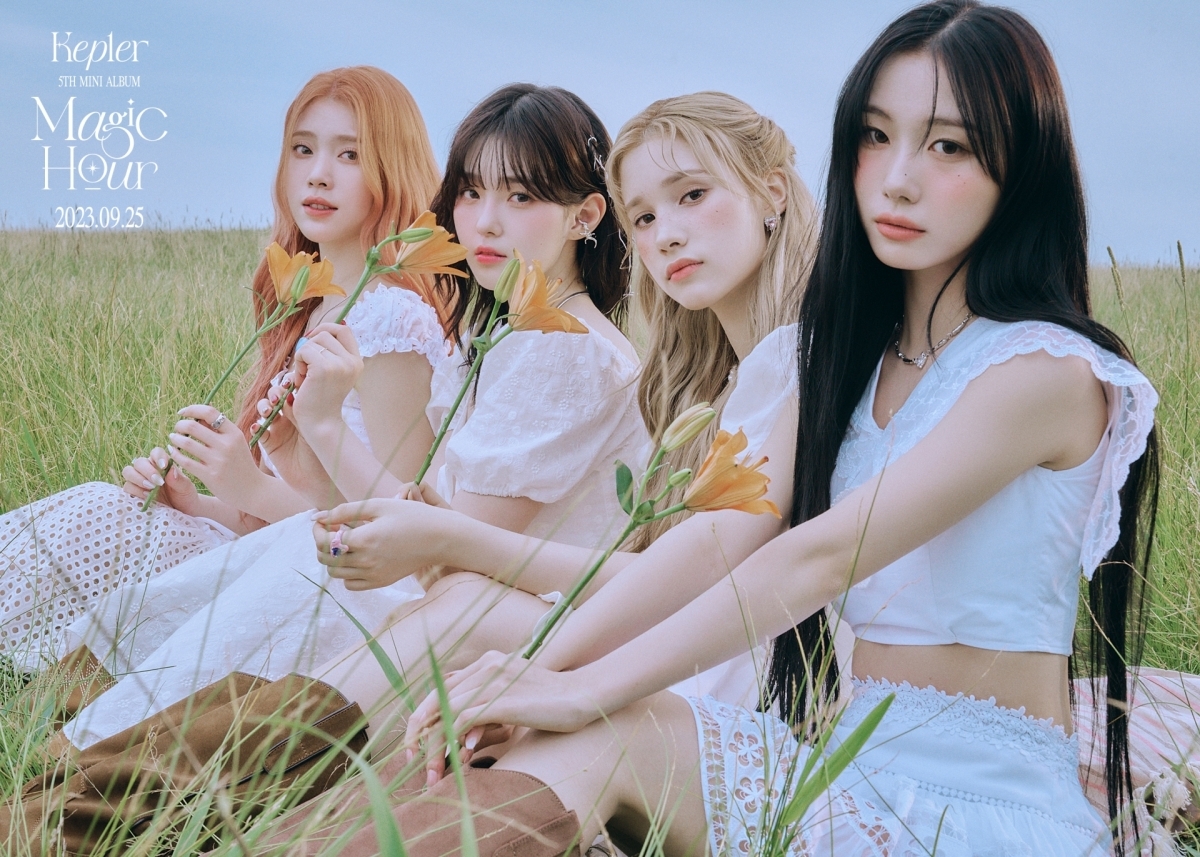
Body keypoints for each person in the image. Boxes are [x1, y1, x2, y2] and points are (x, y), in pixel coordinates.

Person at [379, 4, 1169, 856]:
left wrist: (579, 686)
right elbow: (717, 540)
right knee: (561, 732)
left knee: (589, 718)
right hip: (838, 763)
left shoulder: (1044, 371)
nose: (897, 179)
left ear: (1021, 166)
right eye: (875, 137)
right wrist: (543, 667)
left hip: (974, 802)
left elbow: (816, 557)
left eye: (948, 145)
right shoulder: (837, 360)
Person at [3, 84, 649, 857]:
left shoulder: (563, 348)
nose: (484, 220)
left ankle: (76, 794)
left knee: (305, 584)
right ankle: (79, 783)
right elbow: (432, 527)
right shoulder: (521, 336)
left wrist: (322, 426)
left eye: (520, 196)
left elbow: (445, 555)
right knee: (288, 571)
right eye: (471, 192)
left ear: (585, 215)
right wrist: (293, 454)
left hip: (511, 626)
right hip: (475, 607)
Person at [235, 90, 820, 855]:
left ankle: (190, 802)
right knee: (460, 635)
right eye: (645, 216)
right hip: (668, 653)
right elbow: (669, 571)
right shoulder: (713, 379)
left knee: (464, 616)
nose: (667, 234)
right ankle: (220, 816)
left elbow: (712, 580)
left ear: (773, 192)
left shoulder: (786, 364)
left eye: (692, 196)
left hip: (723, 683)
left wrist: (531, 650)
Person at [0, 66, 445, 686]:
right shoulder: (308, 301)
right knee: (101, 508)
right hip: (271, 550)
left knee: (99, 519)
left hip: (335, 589)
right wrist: (199, 499)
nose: (318, 173)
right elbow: (281, 514)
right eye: (303, 149)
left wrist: (248, 486)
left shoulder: (393, 319)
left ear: (393, 169)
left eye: (350, 154)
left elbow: (401, 534)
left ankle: (42, 665)